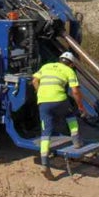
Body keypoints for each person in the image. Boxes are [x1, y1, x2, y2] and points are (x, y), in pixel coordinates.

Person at [32, 51, 86, 180]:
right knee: (70, 114)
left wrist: (41, 93)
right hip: (60, 100)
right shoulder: (69, 71)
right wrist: (81, 106)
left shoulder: (46, 66)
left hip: (43, 102)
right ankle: (77, 141)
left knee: (45, 133)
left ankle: (45, 164)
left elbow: (34, 81)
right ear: (71, 64)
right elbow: (75, 92)